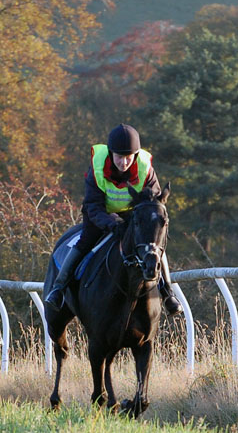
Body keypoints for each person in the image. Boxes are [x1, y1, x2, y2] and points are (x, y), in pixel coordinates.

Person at [44, 124, 183, 317]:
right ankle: (58, 288)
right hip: (100, 215)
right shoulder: (97, 169)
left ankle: (168, 293)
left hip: (132, 216)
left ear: (135, 155)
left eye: (129, 157)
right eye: (119, 156)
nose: (124, 162)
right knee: (85, 242)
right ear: (110, 154)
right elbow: (93, 205)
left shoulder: (146, 169)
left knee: (153, 246)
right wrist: (112, 223)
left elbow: (153, 202)